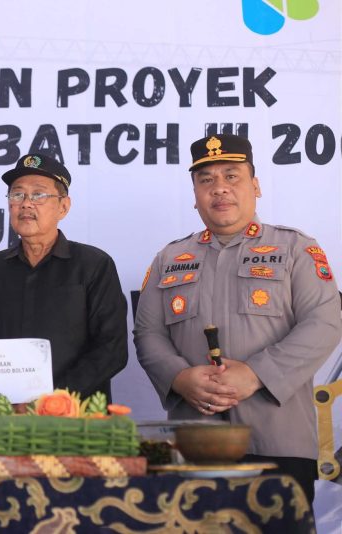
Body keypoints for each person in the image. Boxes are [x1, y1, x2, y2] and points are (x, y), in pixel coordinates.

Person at [133, 134, 341, 504]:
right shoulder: (169, 258)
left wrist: (256, 374)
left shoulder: (296, 248)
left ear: (255, 186)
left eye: (232, 176)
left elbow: (324, 323)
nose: (219, 188)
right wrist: (180, 378)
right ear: (195, 194)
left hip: (278, 441)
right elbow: (148, 333)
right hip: (192, 440)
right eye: (206, 180)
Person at [0, 154, 128, 402]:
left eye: (38, 195)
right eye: (17, 195)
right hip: (5, 416)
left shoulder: (94, 266)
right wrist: (5, 398)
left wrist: (53, 399)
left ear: (63, 207)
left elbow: (112, 349)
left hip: (75, 414)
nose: (26, 204)